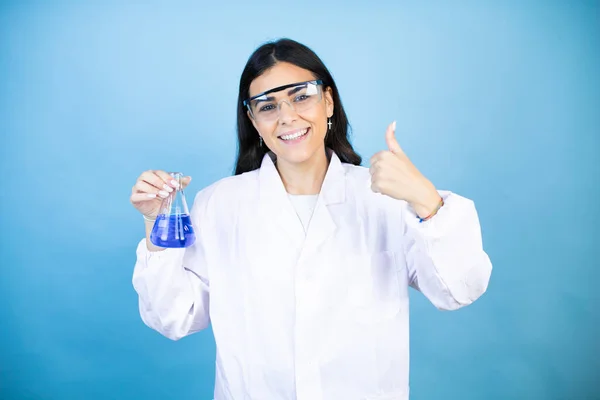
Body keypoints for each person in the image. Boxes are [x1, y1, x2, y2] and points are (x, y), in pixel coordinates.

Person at [130, 38, 493, 400]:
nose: (287, 116)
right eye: (268, 106)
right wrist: (155, 224)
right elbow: (173, 316)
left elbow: (458, 290)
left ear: (329, 101)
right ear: (253, 120)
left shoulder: (383, 200)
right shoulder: (219, 205)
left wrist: (426, 199)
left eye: (301, 95)